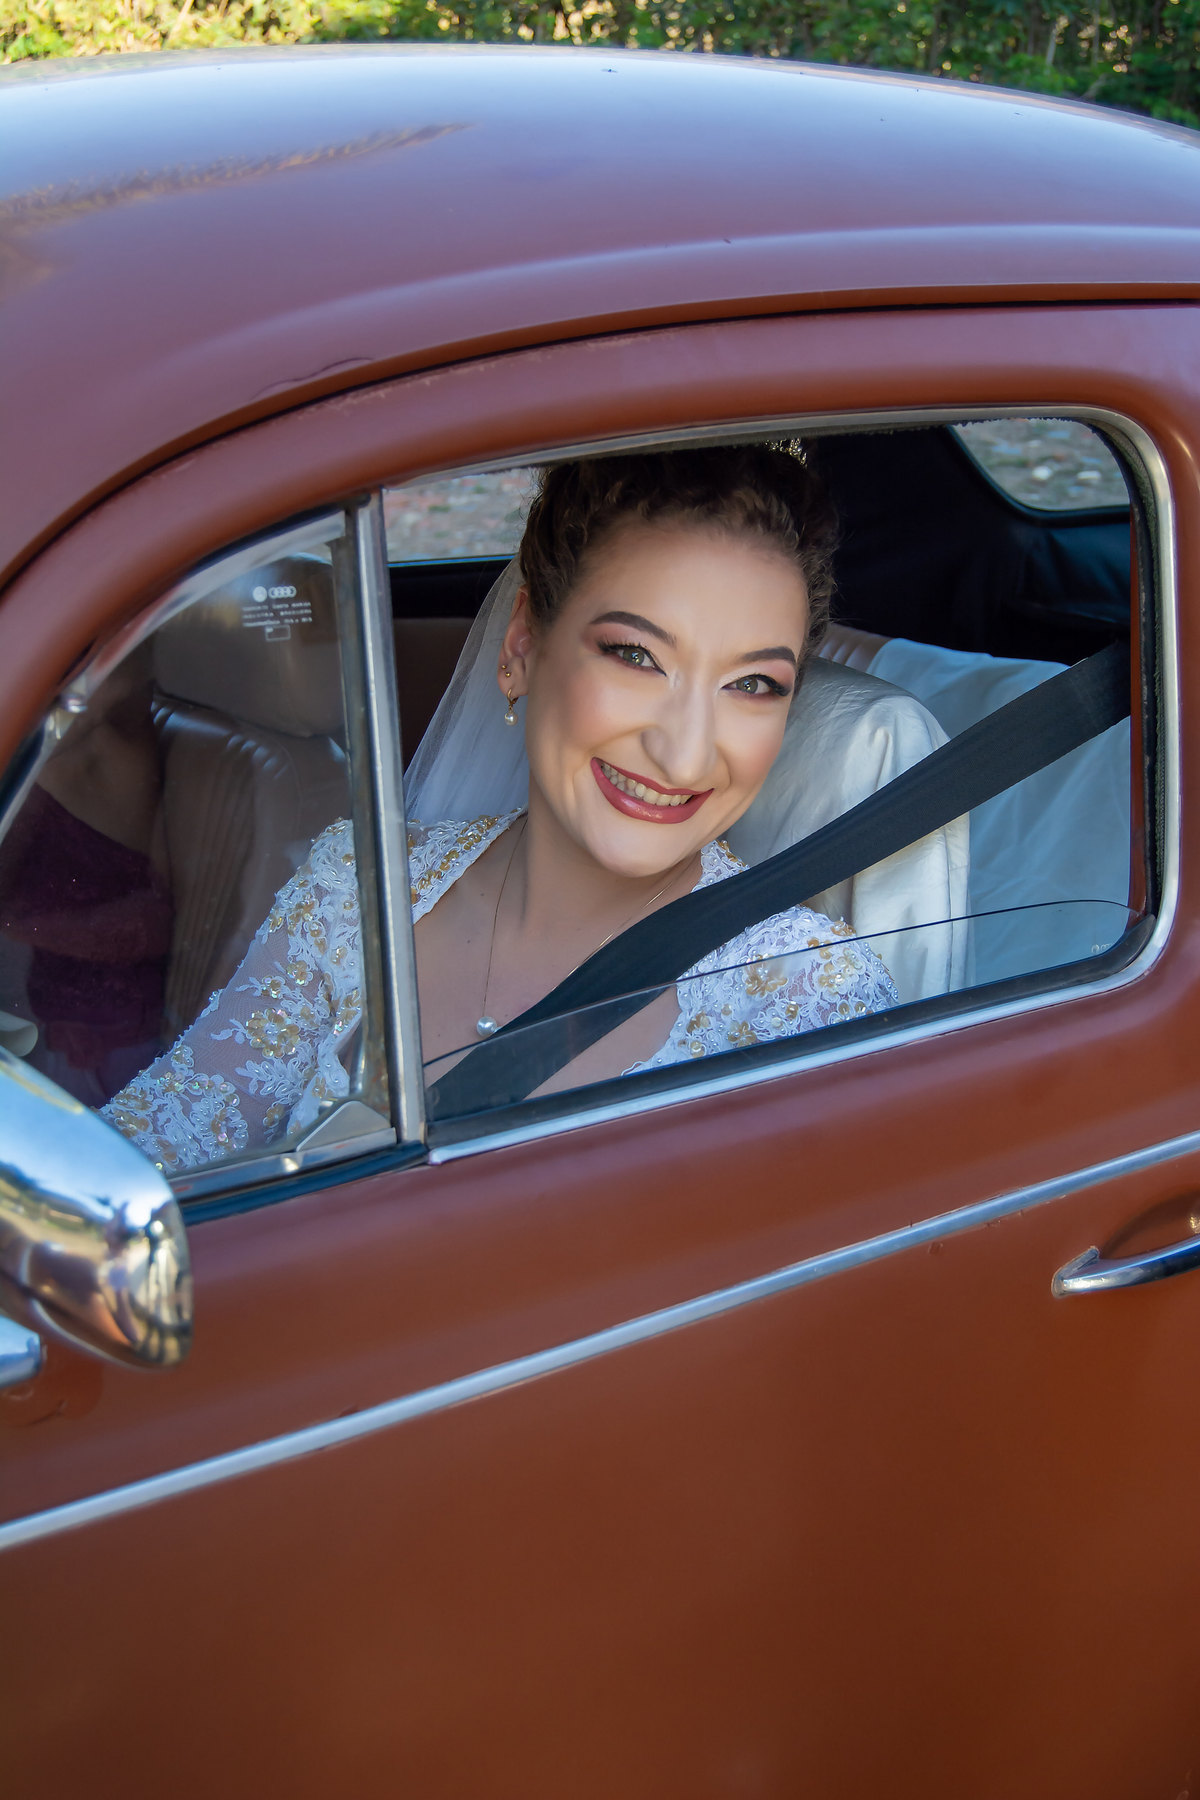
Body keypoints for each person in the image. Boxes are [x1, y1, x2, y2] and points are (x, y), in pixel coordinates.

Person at [103, 446, 899, 1172]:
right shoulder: (354, 894)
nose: (686, 755)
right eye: (635, 656)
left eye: (752, 685)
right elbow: (139, 1160)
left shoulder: (805, 996)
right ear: (522, 646)